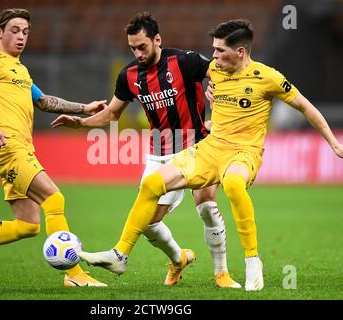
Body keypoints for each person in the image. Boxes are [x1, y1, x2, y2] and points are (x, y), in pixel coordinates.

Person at [75, 19, 343, 291]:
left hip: (244, 152)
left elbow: (305, 107)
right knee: (151, 184)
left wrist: (335, 144)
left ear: (239, 52)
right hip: (210, 147)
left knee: (233, 186)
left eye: (219, 50)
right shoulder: (215, 70)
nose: (212, 55)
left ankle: (252, 261)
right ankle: (120, 254)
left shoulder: (268, 77)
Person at [51, 12, 241, 288]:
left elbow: (221, 72)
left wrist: (217, 92)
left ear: (157, 40)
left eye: (142, 46)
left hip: (196, 145)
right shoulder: (129, 75)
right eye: (132, 48)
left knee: (207, 207)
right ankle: (178, 258)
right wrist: (81, 123)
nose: (138, 53)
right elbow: (112, 114)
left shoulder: (184, 61)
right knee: (148, 223)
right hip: (159, 152)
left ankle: (221, 273)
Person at [0, 8, 108, 287]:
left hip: (22, 148)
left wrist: (84, 108)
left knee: (28, 225)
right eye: (15, 31)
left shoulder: (21, 70)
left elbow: (43, 101)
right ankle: (74, 275)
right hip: (8, 147)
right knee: (55, 199)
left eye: (26, 32)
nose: (21, 37)